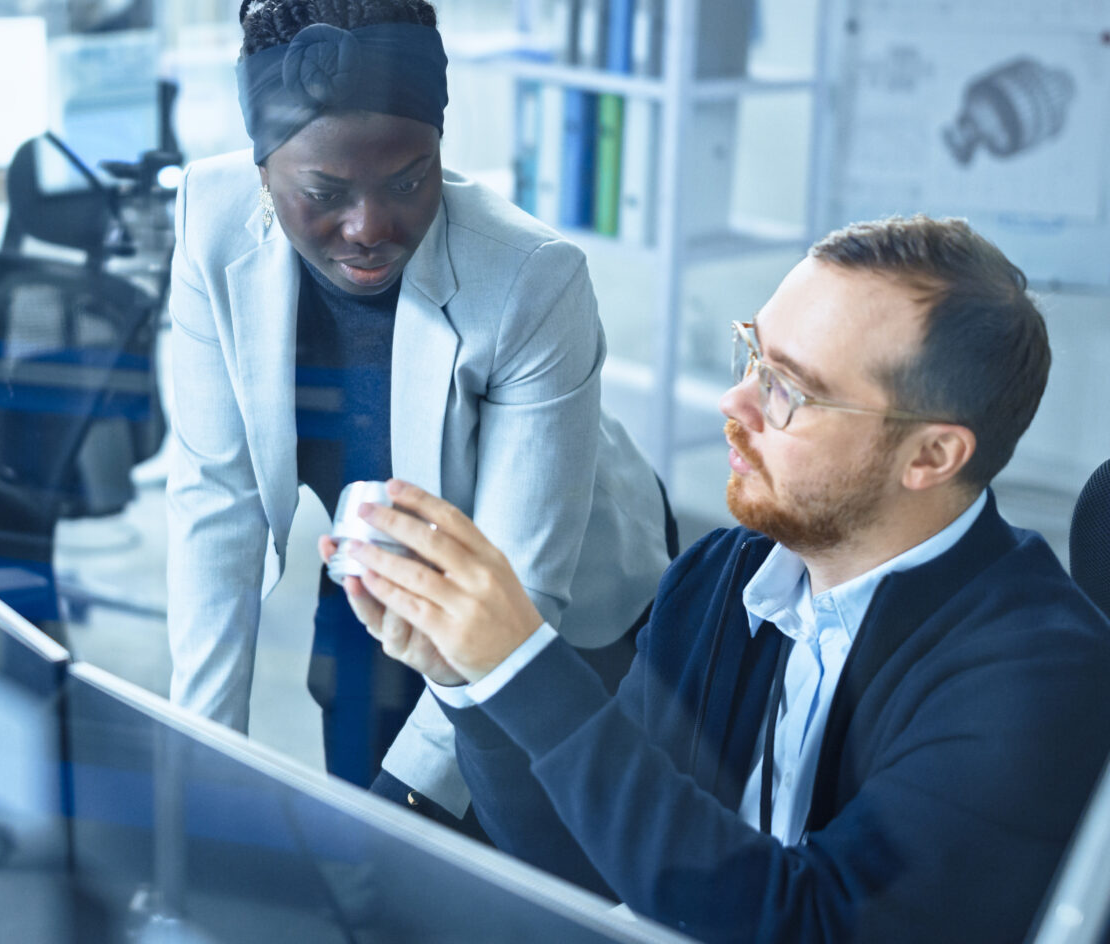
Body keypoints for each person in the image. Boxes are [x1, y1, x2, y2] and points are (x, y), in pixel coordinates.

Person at [336, 216, 1110, 942]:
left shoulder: (1040, 677)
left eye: (790, 390)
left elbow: (802, 921)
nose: (734, 402)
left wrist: (527, 666)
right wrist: (473, 679)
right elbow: (589, 857)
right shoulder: (721, 578)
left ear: (931, 458)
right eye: (754, 355)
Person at [164, 0, 670, 821]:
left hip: (561, 604)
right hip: (378, 561)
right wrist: (197, 761)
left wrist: (403, 808)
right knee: (360, 816)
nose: (370, 226)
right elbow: (217, 500)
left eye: (409, 179)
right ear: (261, 167)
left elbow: (524, 586)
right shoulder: (211, 218)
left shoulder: (528, 277)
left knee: (500, 857)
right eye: (325, 193)